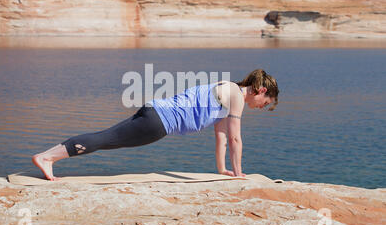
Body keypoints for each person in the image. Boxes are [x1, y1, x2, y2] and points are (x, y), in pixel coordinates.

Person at [32, 69, 279, 181]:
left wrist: (223, 170)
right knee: (105, 139)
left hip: (155, 115)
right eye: (265, 103)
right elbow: (236, 139)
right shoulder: (236, 95)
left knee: (106, 138)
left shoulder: (227, 90)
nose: (260, 107)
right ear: (261, 90)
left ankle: (48, 157)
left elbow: (222, 138)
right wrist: (238, 174)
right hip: (158, 122)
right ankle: (47, 157)